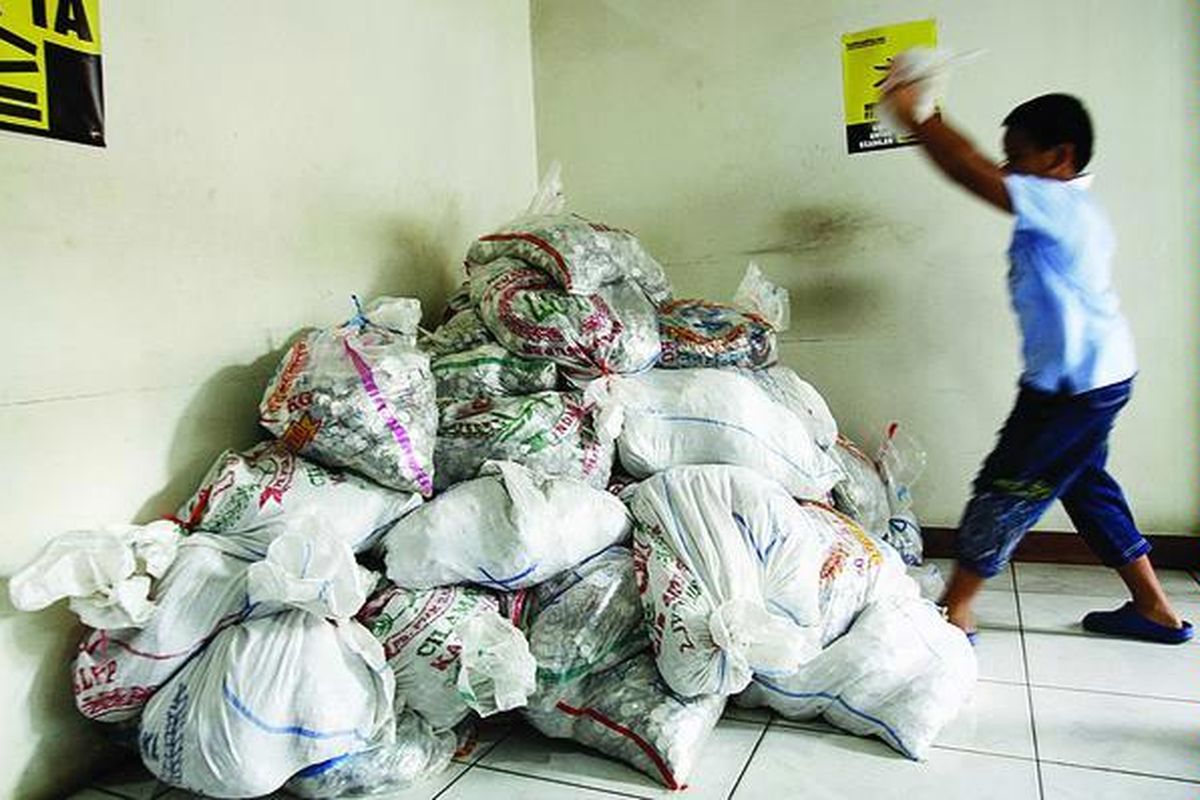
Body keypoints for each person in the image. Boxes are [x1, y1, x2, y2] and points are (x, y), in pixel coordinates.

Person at [880, 75, 1192, 644]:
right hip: (1099, 378)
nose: (1008, 168)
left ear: (1060, 157)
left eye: (1018, 157)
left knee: (1006, 487)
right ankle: (1153, 608)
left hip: (1071, 392)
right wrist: (928, 114)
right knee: (1084, 483)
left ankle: (956, 612)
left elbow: (969, 169)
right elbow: (980, 164)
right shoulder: (1069, 207)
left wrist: (918, 118)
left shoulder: (1059, 204)